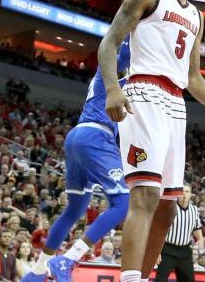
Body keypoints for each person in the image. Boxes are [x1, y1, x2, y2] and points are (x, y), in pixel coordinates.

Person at [98, 0, 205, 282]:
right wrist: (113, 89)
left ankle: (143, 277)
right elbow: (109, 43)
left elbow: (192, 76)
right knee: (145, 194)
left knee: (168, 206)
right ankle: (129, 278)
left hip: (177, 103)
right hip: (144, 92)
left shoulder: (197, 16)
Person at [21, 39, 134, 282]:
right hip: (96, 136)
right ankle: (70, 258)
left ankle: (38, 271)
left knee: (75, 209)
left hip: (79, 136)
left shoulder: (115, 81)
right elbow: (123, 52)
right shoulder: (114, 69)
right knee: (123, 202)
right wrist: (137, 29)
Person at [155, 186, 202, 282]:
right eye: (182, 191)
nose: (184, 194)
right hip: (168, 250)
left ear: (191, 195)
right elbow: (160, 230)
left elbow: (196, 228)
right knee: (160, 280)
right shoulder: (169, 208)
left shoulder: (194, 210)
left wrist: (200, 239)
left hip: (185, 251)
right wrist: (157, 251)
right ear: (177, 194)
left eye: (187, 191)